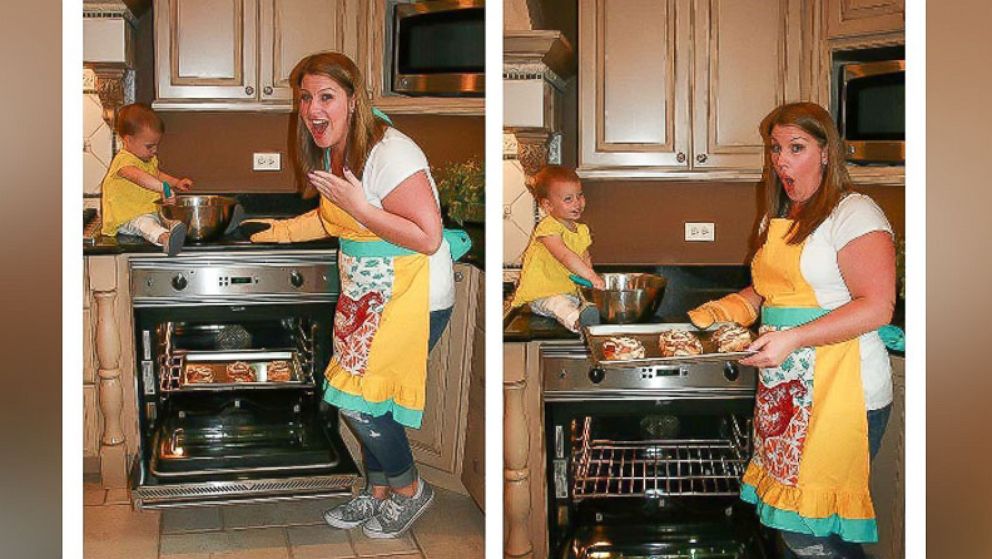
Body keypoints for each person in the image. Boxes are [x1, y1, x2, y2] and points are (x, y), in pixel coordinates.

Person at [244, 51, 455, 539]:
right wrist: (277, 232)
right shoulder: (331, 148)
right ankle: (375, 491)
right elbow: (333, 217)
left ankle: (409, 490)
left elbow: (427, 236)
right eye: (305, 98)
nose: (314, 109)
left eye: (327, 96)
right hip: (368, 294)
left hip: (412, 295)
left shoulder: (390, 153)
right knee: (365, 394)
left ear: (353, 99)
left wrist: (360, 204)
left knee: (362, 404)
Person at [688, 102, 897, 559]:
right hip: (788, 389)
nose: (781, 160)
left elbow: (877, 306)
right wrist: (725, 310)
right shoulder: (779, 218)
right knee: (794, 528)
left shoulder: (853, 212)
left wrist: (794, 337)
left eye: (796, 147)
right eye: (776, 149)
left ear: (826, 152)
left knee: (813, 531)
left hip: (843, 392)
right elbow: (769, 291)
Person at [510, 165, 604, 332]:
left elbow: (585, 258)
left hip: (569, 292)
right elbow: (564, 256)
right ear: (548, 205)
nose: (577, 203)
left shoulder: (581, 230)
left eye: (579, 195)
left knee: (579, 303)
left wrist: (590, 284)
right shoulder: (548, 228)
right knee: (560, 304)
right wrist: (592, 276)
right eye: (568, 199)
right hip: (543, 294)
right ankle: (577, 321)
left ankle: (585, 314)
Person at [100, 103, 191, 255]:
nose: (154, 151)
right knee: (147, 224)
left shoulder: (147, 160)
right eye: (149, 146)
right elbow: (139, 177)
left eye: (156, 145)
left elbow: (156, 174)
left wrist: (175, 182)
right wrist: (163, 188)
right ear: (128, 140)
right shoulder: (123, 161)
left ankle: (176, 230)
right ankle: (166, 240)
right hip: (128, 218)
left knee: (165, 218)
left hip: (148, 211)